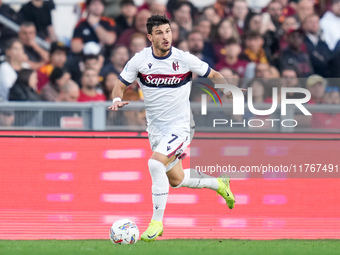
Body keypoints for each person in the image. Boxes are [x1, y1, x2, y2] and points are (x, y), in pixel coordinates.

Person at [108, 14, 236, 242]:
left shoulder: (184, 59)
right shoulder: (139, 61)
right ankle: (218, 183)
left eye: (168, 31)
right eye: (159, 33)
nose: (166, 36)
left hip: (181, 125)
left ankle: (156, 222)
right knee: (175, 180)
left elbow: (214, 74)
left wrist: (227, 89)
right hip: (156, 129)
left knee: (155, 163)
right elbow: (119, 86)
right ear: (150, 37)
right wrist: (117, 99)